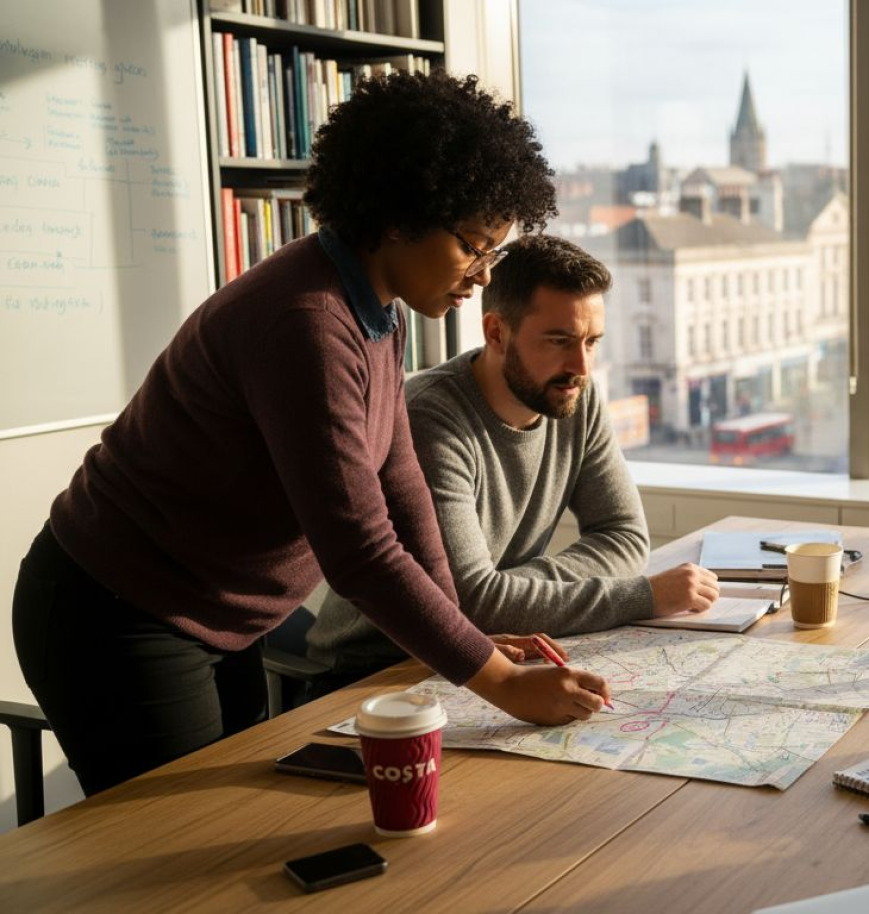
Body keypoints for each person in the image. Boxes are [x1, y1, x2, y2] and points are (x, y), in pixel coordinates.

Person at [11, 72, 609, 796]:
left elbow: (400, 482)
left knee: (234, 821)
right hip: (118, 609)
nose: (483, 275)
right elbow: (360, 549)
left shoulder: (375, 309)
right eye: (474, 247)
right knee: (179, 836)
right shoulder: (307, 323)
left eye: (493, 254)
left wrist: (463, 635)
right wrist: (500, 682)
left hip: (218, 614)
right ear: (400, 218)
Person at [307, 235, 719, 686]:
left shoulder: (574, 396)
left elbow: (625, 537)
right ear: (496, 333)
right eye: (559, 340)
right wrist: (641, 596)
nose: (581, 366)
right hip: (376, 671)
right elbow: (472, 604)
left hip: (489, 654)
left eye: (592, 342)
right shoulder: (430, 419)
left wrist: (513, 592)